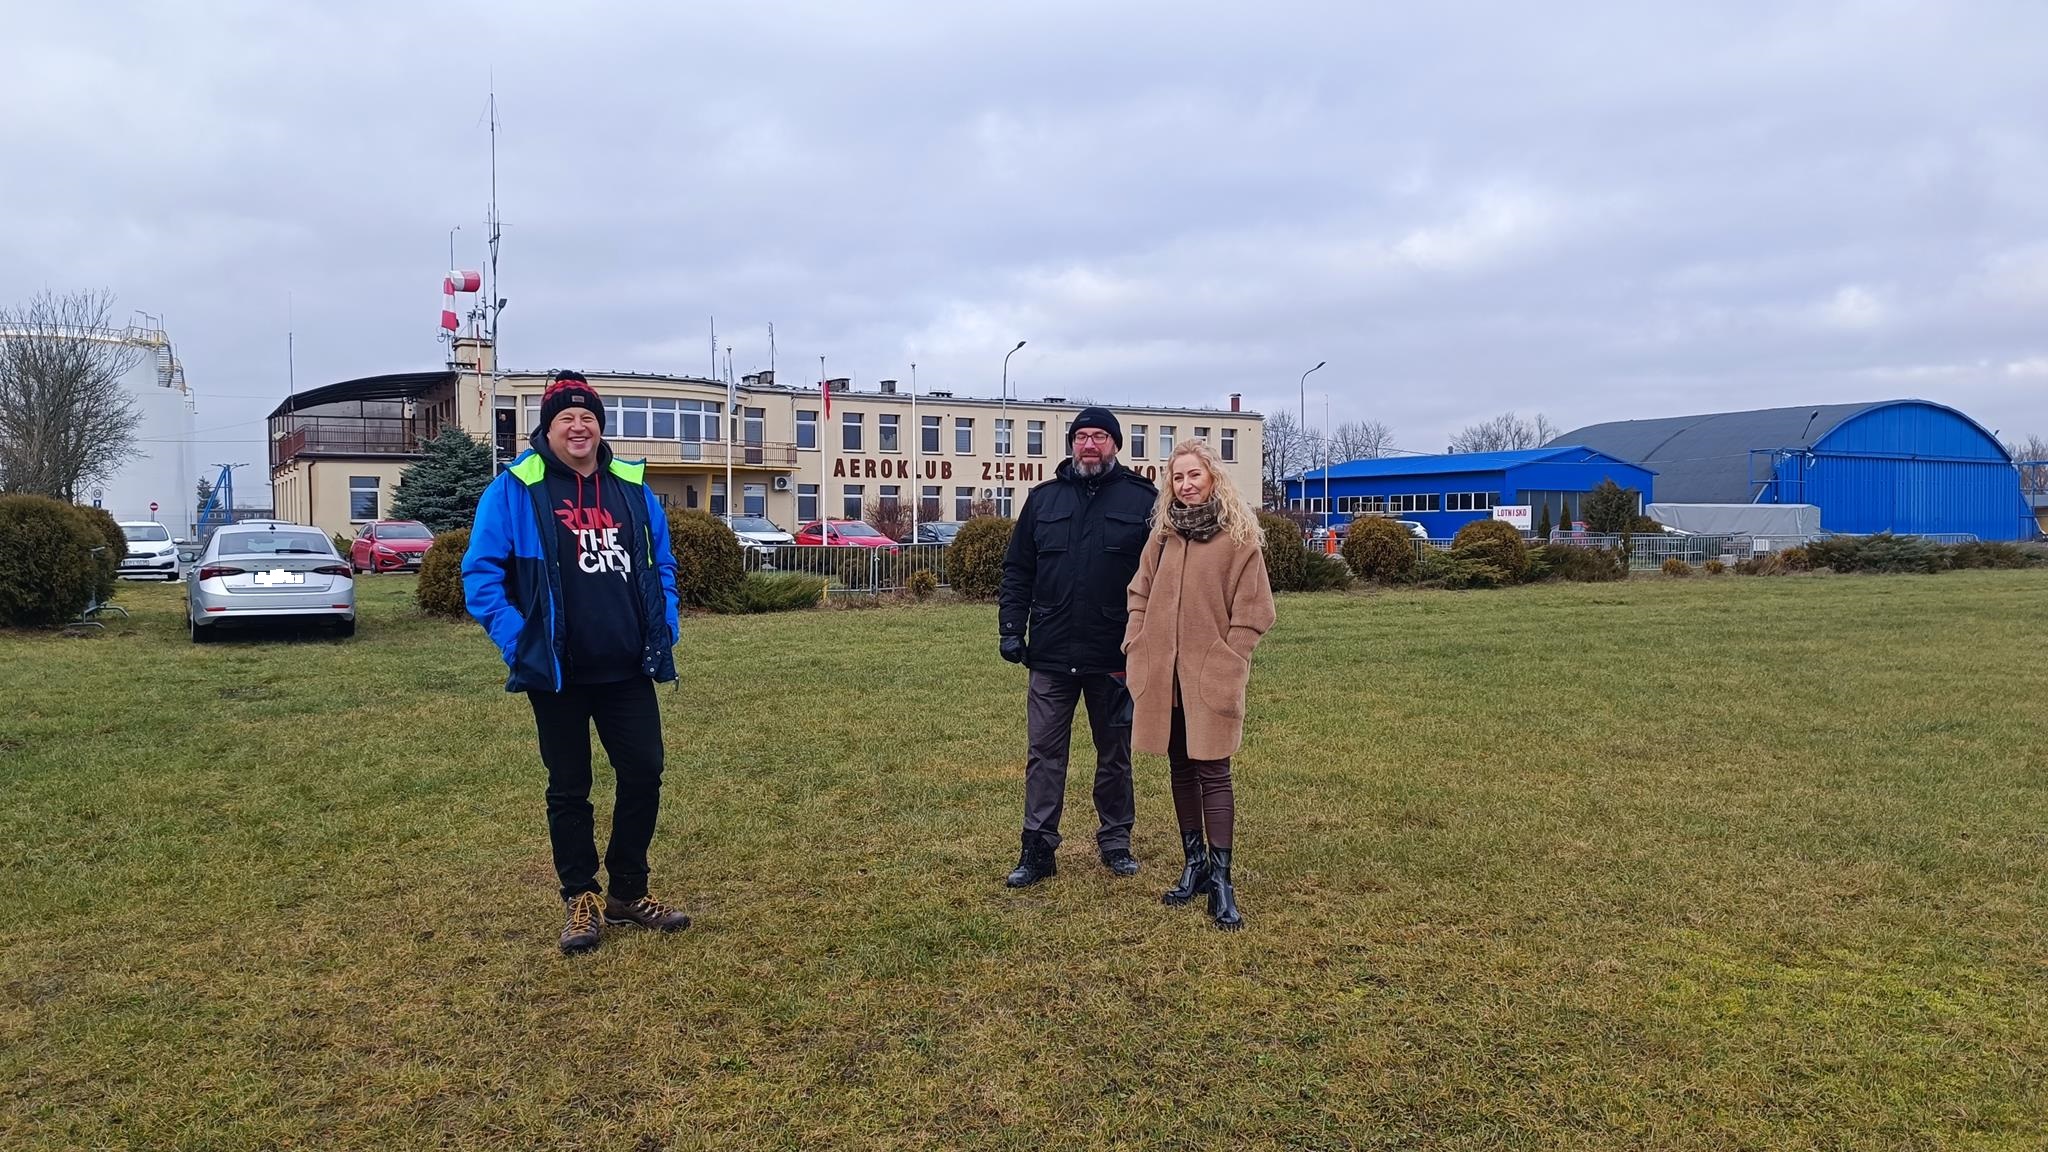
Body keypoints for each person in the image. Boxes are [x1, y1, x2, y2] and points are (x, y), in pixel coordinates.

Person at [462, 370, 690, 954]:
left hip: (628, 667)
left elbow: (661, 564)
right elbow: (481, 577)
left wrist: (665, 624)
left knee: (643, 773)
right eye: (566, 417)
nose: (579, 425)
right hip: (557, 671)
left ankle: (627, 892)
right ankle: (580, 896)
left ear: (600, 426)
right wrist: (521, 641)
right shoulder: (516, 489)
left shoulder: (631, 488)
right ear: (548, 428)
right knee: (570, 787)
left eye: (588, 416)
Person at [997, 406, 1159, 887]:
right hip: (1051, 652)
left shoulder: (1143, 500)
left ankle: (1116, 841)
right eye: (1082, 436)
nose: (1090, 445)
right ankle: (1037, 849)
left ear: (1115, 445)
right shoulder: (1043, 500)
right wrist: (1012, 627)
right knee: (1044, 755)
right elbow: (1018, 569)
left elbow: (1161, 577)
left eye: (1100, 437)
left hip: (1116, 654)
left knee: (1115, 755)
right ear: (1071, 444)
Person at [1122, 438, 1276, 929]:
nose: (1186, 485)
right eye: (1178, 476)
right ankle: (1195, 864)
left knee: (1213, 770)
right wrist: (1135, 641)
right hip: (1163, 675)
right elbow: (1139, 592)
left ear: (1213, 478)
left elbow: (1255, 611)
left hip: (1211, 674)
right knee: (1180, 767)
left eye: (1195, 475)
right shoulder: (1163, 537)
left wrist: (1230, 658)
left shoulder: (1238, 539)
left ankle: (1222, 880)